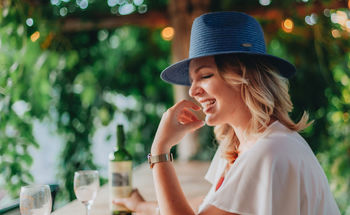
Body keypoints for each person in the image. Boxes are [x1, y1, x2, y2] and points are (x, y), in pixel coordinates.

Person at [114, 11, 341, 215]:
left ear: (244, 78)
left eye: (205, 76)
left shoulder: (270, 151)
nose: (192, 90)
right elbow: (209, 205)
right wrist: (143, 207)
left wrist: (160, 150)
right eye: (192, 80)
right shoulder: (238, 143)